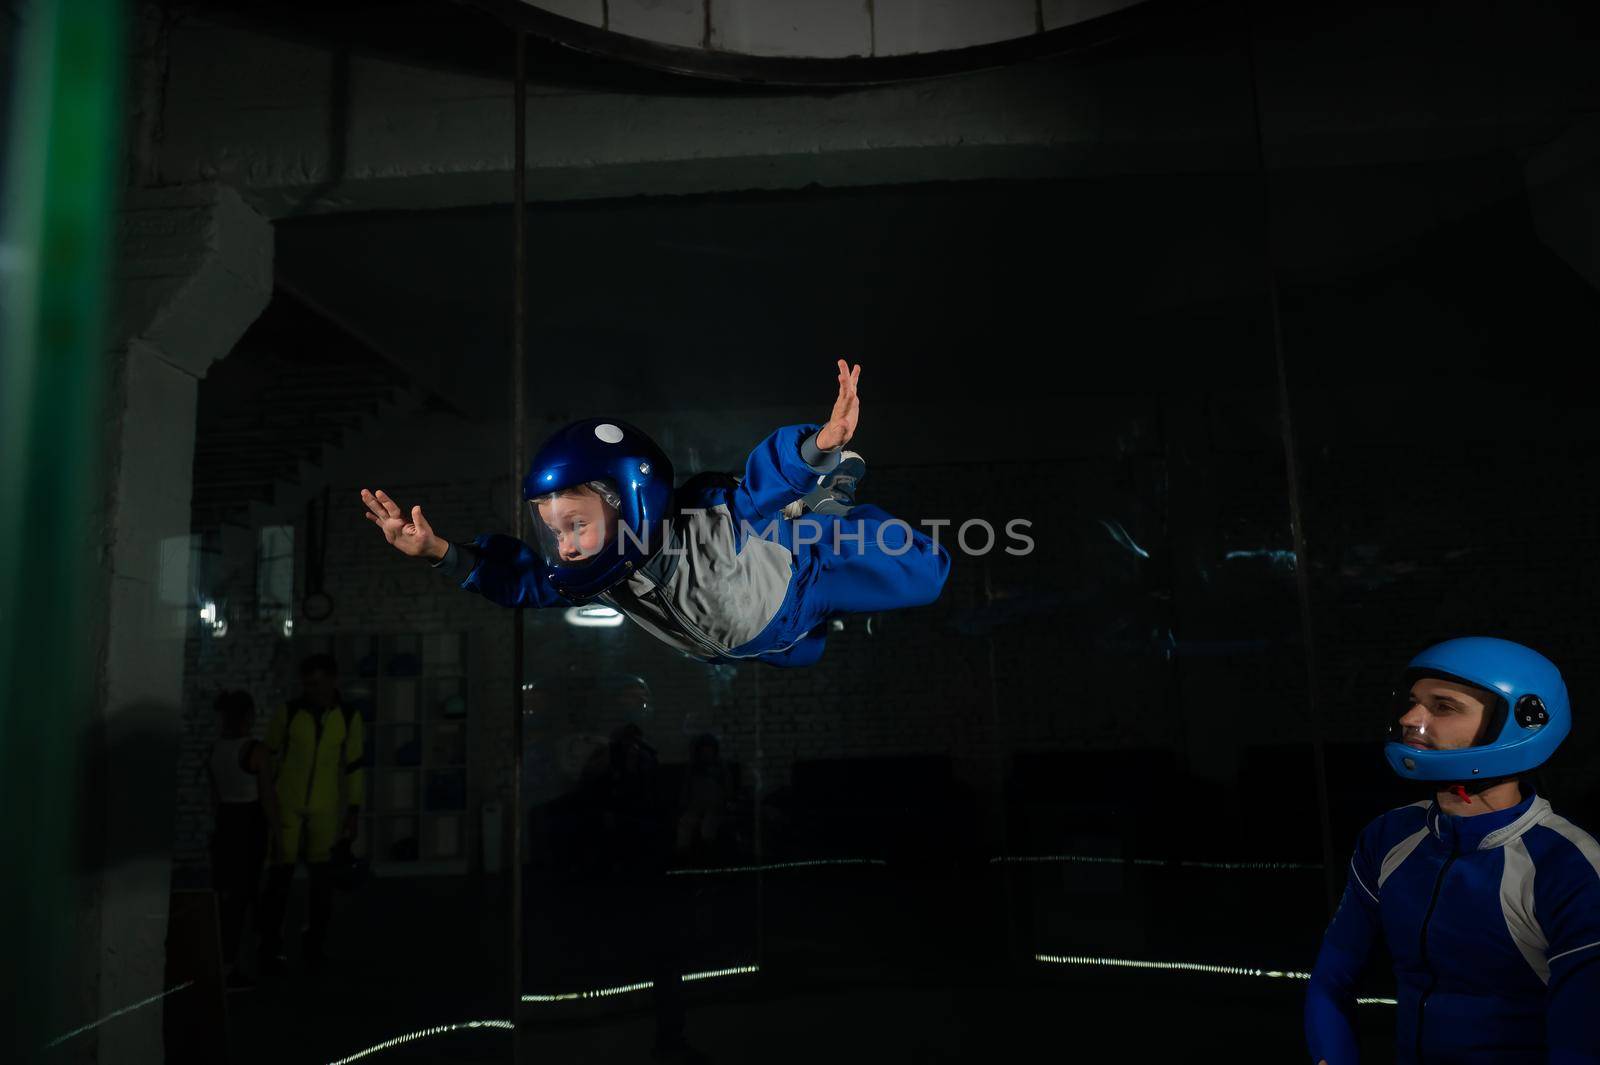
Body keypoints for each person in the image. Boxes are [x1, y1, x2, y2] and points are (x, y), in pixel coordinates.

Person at [360, 361, 950, 668]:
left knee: (927, 575)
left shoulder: (706, 523)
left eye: (576, 524)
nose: (564, 546)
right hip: (762, 640)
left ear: (627, 504)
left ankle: (830, 493)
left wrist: (821, 444)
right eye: (555, 529)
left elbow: (760, 484)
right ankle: (817, 521)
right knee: (809, 651)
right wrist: (439, 552)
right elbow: (523, 584)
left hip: (799, 577)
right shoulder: (605, 576)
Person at [1305, 637, 1600, 1064]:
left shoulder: (1569, 865)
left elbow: (1581, 1043)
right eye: (1411, 702)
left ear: (1519, 722)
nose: (1409, 718)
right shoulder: (1389, 837)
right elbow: (1332, 978)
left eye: (1442, 706)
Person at [256, 654, 366, 972]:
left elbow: (355, 765)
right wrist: (268, 803)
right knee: (280, 876)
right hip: (287, 802)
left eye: (317, 683)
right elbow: (269, 757)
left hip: (324, 806)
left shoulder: (347, 716)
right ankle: (269, 942)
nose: (311, 690)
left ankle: (314, 943)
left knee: (321, 882)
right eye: (307, 684)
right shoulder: (289, 712)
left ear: (332, 680)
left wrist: (354, 810)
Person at [207, 690, 280, 991]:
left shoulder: (214, 750)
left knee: (231, 896)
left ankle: (230, 962)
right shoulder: (256, 750)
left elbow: (215, 799)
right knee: (248, 894)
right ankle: (239, 964)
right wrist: (278, 833)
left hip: (226, 823)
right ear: (249, 715)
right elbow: (267, 798)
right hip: (250, 825)